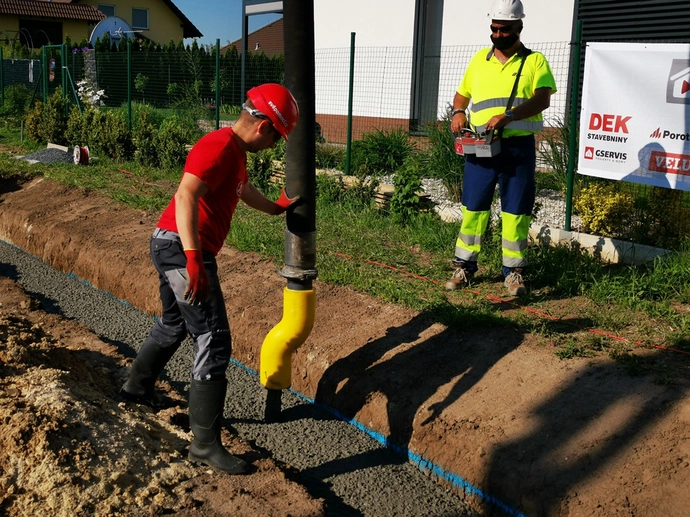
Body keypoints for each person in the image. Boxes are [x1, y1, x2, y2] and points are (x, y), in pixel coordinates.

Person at [120, 83, 300, 475]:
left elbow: (242, 189)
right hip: (183, 249)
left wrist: (275, 208)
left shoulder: (234, 153)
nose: (274, 145)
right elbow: (186, 195)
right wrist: (194, 260)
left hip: (174, 246)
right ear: (263, 125)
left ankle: (135, 389)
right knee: (213, 337)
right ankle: (204, 445)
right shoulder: (218, 147)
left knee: (173, 323)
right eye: (277, 136)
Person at [445, 0, 556, 296]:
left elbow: (542, 98)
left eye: (504, 29)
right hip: (480, 146)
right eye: (493, 28)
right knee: (473, 207)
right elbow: (461, 95)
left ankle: (515, 273)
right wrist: (458, 113)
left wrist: (508, 116)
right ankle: (464, 267)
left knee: (516, 211)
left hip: (518, 148)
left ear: (519, 27)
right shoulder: (479, 60)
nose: (497, 34)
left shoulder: (534, 62)